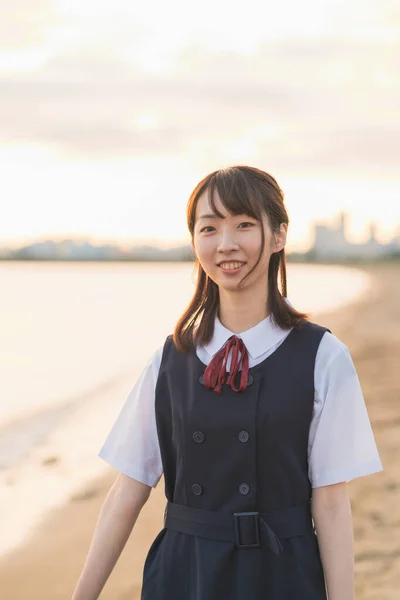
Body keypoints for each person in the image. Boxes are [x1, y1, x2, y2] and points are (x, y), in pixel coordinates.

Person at [71, 165, 383, 600]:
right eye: (209, 228)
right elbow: (127, 492)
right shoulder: (169, 358)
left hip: (282, 577)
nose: (226, 244)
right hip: (184, 575)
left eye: (244, 225)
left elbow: (331, 504)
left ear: (279, 235)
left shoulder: (324, 357)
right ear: (195, 240)